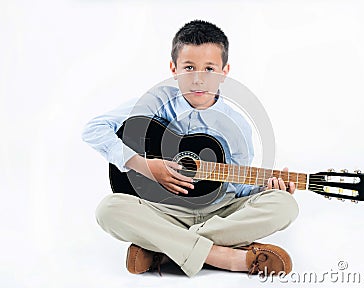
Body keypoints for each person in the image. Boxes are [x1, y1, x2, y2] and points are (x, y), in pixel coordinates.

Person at [82, 19, 299, 278]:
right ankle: (225, 256)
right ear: (173, 69)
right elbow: (94, 129)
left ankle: (165, 247)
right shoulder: (157, 102)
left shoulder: (237, 125)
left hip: (219, 212)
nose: (198, 79)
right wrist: (145, 167)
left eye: (209, 69)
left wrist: (267, 186)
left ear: (224, 71)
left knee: (284, 205)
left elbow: (238, 186)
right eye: (189, 68)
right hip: (164, 211)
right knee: (108, 210)